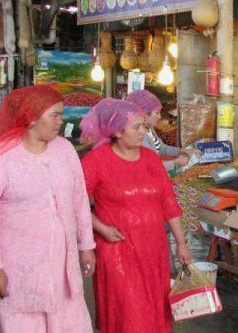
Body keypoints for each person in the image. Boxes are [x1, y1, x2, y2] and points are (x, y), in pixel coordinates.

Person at [0, 85, 96, 333]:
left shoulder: (65, 150)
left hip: (62, 268)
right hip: (18, 271)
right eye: (55, 115)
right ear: (31, 118)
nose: (61, 121)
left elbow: (79, 200)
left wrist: (86, 246)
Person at [80, 99, 192, 333]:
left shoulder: (151, 160)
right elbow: (74, 203)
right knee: (128, 311)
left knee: (155, 308)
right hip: (117, 250)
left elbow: (168, 203)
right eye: (136, 127)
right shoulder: (96, 161)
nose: (143, 132)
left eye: (144, 126)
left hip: (154, 250)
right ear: (117, 131)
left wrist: (181, 243)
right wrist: (101, 228)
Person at [125, 89, 199, 172]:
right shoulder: (138, 136)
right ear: (144, 115)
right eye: (157, 113)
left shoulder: (149, 128)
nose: (160, 116)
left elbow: (162, 149)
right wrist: (175, 162)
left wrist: (184, 151)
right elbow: (148, 167)